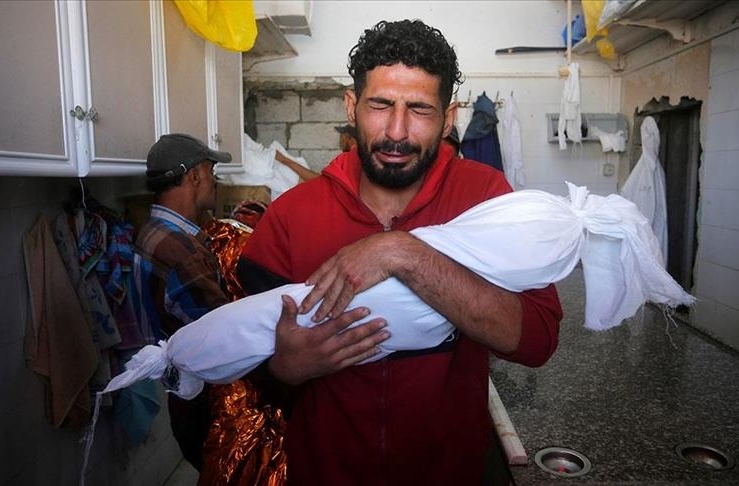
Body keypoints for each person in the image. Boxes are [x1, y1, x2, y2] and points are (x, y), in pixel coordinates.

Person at [236, 19, 562, 485]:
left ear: (448, 118)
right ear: (352, 107)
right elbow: (239, 370)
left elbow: (537, 341)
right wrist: (283, 370)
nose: (397, 131)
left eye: (420, 109)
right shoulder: (289, 216)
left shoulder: (486, 198)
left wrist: (404, 253)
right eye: (380, 105)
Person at [132, 133, 232, 471]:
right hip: (204, 402)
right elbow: (224, 334)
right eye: (212, 172)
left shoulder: (152, 231)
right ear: (194, 176)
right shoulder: (180, 250)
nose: (215, 181)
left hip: (182, 399)